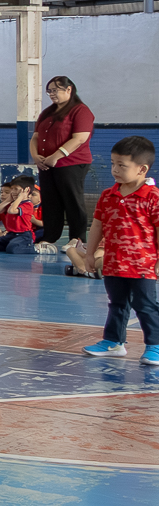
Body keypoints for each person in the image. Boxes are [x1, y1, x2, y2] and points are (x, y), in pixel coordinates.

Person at [81, 136, 159, 364]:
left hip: (143, 265)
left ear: (142, 169)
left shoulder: (153, 197)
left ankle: (155, 345)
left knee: (145, 305)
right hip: (114, 262)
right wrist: (89, 253)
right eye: (113, 163)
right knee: (116, 303)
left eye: (121, 165)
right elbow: (97, 225)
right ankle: (114, 342)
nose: (114, 169)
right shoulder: (108, 195)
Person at [31, 75, 95, 244]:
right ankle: (50, 236)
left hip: (71, 163)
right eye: (49, 91)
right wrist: (36, 157)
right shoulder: (47, 112)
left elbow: (80, 138)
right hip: (46, 165)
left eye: (55, 90)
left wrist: (56, 156)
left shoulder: (81, 110)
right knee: (51, 201)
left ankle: (77, 239)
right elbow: (35, 137)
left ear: (68, 89)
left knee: (72, 200)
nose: (52, 94)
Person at [0, 176, 39, 255]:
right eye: (12, 189)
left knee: (13, 249)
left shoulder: (28, 205)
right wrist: (8, 200)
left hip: (23, 235)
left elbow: (11, 210)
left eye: (16, 189)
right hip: (10, 234)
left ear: (27, 190)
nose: (13, 192)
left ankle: (36, 249)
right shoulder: (11, 203)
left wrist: (20, 197)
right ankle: (8, 246)